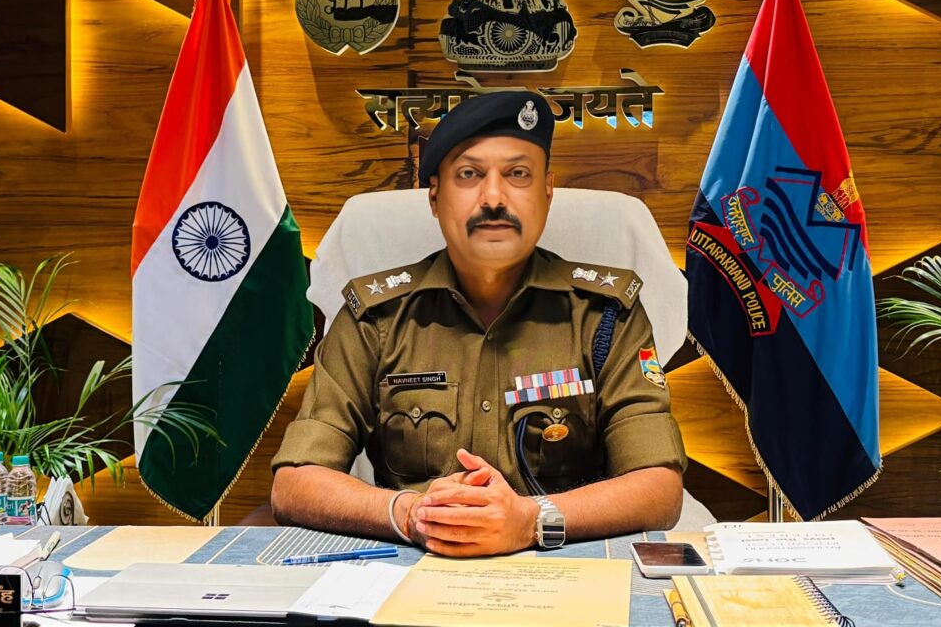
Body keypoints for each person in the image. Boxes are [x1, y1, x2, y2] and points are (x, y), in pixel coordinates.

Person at [271, 91, 687, 557]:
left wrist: (531, 520)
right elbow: (295, 482)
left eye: (518, 174)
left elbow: (658, 487)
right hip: (411, 565)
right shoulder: (376, 317)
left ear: (546, 193)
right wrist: (410, 514)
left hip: (563, 563)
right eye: (469, 175)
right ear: (435, 197)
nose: (493, 198)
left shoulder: (605, 315)